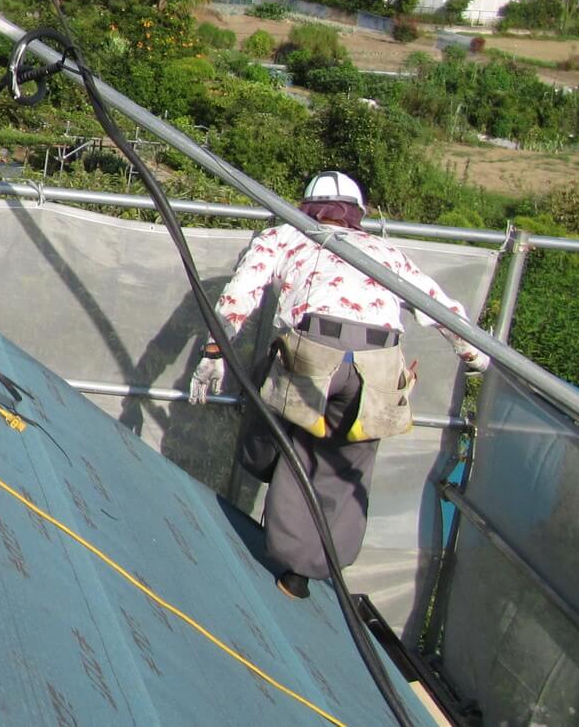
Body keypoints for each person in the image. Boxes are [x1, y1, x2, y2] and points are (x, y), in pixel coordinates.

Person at [191, 170, 489, 599]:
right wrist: (474, 354)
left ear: (307, 207)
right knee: (349, 461)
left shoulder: (284, 236)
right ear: (356, 215)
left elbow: (240, 295)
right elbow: (437, 304)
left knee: (297, 445)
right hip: (379, 364)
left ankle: (291, 554)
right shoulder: (384, 251)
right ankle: (319, 565)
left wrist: (214, 351)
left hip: (315, 352)